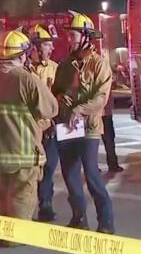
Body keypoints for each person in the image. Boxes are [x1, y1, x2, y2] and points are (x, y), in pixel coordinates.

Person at [52, 12, 115, 234]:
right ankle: (79, 217)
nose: (70, 38)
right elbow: (56, 91)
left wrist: (78, 109)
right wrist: (59, 100)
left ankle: (106, 221)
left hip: (89, 126)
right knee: (70, 174)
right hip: (67, 125)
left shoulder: (99, 65)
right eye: (69, 34)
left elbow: (101, 98)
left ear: (87, 36)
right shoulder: (65, 65)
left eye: (74, 34)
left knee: (91, 173)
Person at [0, 30, 59, 246]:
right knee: (19, 205)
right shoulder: (25, 79)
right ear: (23, 55)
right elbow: (51, 108)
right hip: (22, 157)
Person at [27, 24, 61, 222]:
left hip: (49, 129)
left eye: (49, 45)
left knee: (48, 169)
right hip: (29, 130)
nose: (49, 49)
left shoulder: (56, 69)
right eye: (45, 45)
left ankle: (46, 204)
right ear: (34, 47)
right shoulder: (24, 71)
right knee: (30, 170)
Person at [101, 88, 123, 173]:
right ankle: (113, 165)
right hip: (103, 112)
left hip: (98, 112)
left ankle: (92, 168)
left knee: (93, 141)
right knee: (109, 139)